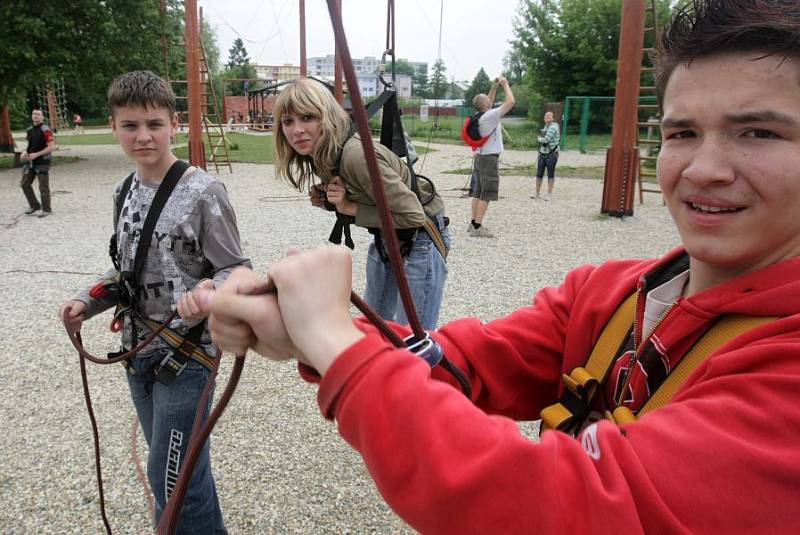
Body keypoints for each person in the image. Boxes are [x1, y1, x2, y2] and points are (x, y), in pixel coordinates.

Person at [198, 0, 800, 532]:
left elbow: (555, 503)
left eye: (759, 133)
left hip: (415, 243)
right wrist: (301, 330)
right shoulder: (605, 295)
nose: (705, 168)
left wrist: (338, 343)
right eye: (683, 133)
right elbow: (462, 362)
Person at [59, 71, 250, 534]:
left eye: (153, 124)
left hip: (187, 358)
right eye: (130, 126)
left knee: (172, 478)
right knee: (182, 473)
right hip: (137, 354)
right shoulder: (124, 192)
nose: (143, 136)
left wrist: (206, 295)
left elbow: (236, 269)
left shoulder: (203, 193)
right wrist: (88, 301)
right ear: (114, 127)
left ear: (175, 123)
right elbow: (127, 270)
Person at [272, 77, 451, 331]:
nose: (297, 130)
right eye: (288, 122)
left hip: (421, 238)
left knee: (414, 340)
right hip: (387, 237)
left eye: (308, 118)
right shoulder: (325, 153)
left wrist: (348, 208)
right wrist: (332, 201)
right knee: (373, 330)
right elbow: (370, 200)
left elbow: (413, 215)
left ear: (327, 117)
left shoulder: (355, 156)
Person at [467, 76, 514, 238]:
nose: (490, 101)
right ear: (485, 104)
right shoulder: (490, 116)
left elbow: (489, 103)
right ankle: (478, 227)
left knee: (477, 192)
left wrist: (494, 88)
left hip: (480, 156)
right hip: (489, 159)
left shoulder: (480, 115)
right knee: (487, 193)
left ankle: (473, 223)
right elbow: (511, 102)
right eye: (488, 99)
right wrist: (505, 85)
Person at [20, 109, 56, 218]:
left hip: (43, 162)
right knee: (24, 184)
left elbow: (51, 147)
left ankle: (47, 210)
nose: (35, 116)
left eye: (38, 114)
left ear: (42, 117)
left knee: (43, 186)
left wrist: (37, 154)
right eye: (34, 114)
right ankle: (34, 205)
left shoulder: (46, 130)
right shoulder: (30, 130)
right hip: (31, 162)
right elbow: (29, 146)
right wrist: (25, 153)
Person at [533, 110, 559, 200]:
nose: (547, 116)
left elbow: (546, 139)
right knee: (539, 173)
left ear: (553, 118)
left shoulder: (553, 127)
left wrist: (539, 139)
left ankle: (549, 194)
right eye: (546, 115)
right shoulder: (545, 126)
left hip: (552, 154)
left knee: (550, 174)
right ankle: (537, 193)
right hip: (543, 153)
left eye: (549, 115)